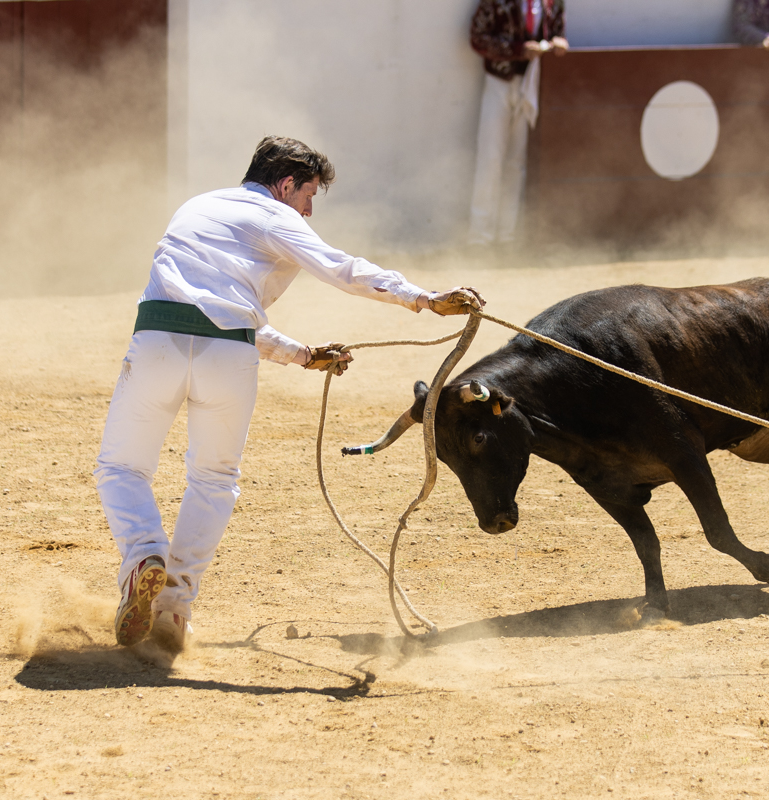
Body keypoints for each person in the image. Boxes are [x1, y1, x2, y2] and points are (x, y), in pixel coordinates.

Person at [95, 135, 485, 653]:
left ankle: (144, 556)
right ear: (285, 184)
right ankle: (173, 607)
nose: (308, 211)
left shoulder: (197, 207)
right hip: (229, 356)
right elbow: (341, 270)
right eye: (308, 198)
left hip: (158, 342)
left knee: (121, 467)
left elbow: (209, 303)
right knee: (214, 478)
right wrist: (424, 298)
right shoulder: (279, 219)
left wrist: (302, 354)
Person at [467, 0, 568, 247]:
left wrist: (558, 42)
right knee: (490, 158)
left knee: (516, 162)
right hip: (499, 81)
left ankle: (507, 237)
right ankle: (480, 239)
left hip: (530, 84)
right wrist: (518, 50)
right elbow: (478, 38)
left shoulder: (552, 3)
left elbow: (556, 32)